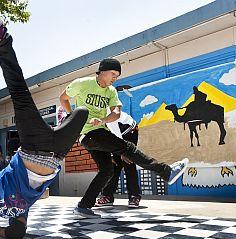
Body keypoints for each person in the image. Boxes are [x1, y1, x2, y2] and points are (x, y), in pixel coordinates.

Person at [0, 18, 88, 239]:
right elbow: (18, 233)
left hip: (33, 147)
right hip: (57, 154)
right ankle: (62, 120)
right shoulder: (12, 212)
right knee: (82, 113)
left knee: (19, 93)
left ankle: (2, 40)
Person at [60, 58, 189, 218]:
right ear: (102, 71)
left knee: (107, 170)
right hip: (89, 134)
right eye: (113, 74)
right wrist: (72, 116)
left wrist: (103, 120)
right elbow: (63, 98)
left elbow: (116, 113)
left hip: (99, 132)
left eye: (117, 76)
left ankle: (83, 206)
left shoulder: (111, 91)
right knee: (128, 148)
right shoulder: (82, 83)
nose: (114, 78)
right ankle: (166, 172)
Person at [96, 110, 142, 208]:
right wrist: (111, 156)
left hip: (129, 131)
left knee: (128, 161)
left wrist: (123, 152)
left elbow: (115, 134)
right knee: (113, 165)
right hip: (115, 134)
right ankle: (107, 196)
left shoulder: (104, 115)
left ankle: (134, 196)